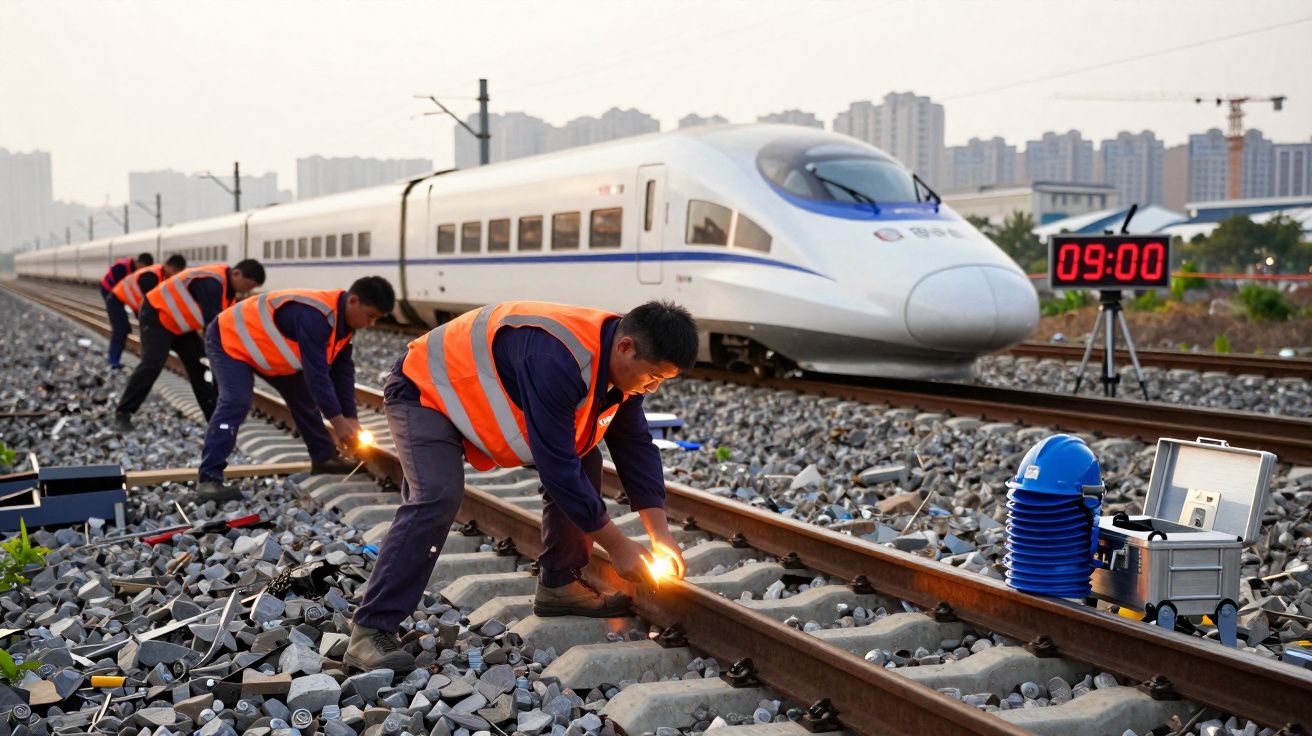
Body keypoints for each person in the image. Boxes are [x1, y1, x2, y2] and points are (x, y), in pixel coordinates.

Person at [345, 300, 699, 673]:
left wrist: (659, 534)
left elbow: (635, 447)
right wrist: (617, 545)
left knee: (585, 458)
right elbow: (557, 468)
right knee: (436, 496)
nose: (654, 389)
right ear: (626, 346)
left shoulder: (616, 361)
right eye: (654, 376)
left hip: (475, 397)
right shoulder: (558, 359)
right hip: (426, 390)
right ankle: (371, 629)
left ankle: (560, 583)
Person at [195, 276, 397, 503]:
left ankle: (324, 458)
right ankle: (209, 478)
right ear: (353, 301)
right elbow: (317, 376)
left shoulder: (344, 324)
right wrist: (339, 424)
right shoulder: (316, 317)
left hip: (268, 351)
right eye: (370, 316)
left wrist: (350, 417)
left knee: (303, 399)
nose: (371, 324)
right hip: (230, 340)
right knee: (236, 401)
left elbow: (343, 374)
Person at [114, 259, 265, 432]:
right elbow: (214, 328)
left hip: (181, 325)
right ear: (237, 273)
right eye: (247, 285)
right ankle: (123, 413)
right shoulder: (213, 282)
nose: (248, 290)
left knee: (200, 367)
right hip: (157, 315)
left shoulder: (227, 291)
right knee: (152, 364)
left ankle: (214, 419)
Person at [100, 252, 154, 368]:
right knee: (120, 328)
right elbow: (119, 289)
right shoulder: (122, 267)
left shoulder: (139, 273)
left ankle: (114, 360)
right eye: (144, 268)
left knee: (124, 328)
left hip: (120, 298)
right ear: (139, 263)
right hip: (110, 294)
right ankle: (113, 361)